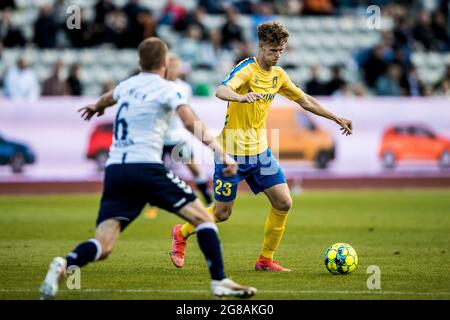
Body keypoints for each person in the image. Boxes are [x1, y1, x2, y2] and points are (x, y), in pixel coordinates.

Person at [39, 37, 256, 300]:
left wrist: (96, 107)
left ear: (139, 62)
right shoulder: (168, 88)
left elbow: (108, 97)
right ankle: (219, 281)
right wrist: (221, 152)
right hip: (145, 168)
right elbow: (189, 122)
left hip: (116, 170)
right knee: (205, 219)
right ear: (165, 63)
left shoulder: (127, 85)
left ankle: (66, 262)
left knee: (104, 244)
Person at [170, 21, 352, 271]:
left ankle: (265, 260)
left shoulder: (279, 76)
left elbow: (305, 101)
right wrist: (241, 96)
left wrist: (336, 118)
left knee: (284, 202)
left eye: (281, 50)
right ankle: (181, 232)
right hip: (231, 152)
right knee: (222, 214)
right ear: (261, 45)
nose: (277, 55)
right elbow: (221, 90)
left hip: (260, 153)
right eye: (273, 50)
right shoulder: (247, 68)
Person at [146, 54, 213, 218]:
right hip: (159, 138)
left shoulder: (184, 88)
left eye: (177, 67)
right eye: (172, 66)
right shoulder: (157, 86)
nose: (175, 70)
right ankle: (152, 205)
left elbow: (187, 110)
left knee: (194, 168)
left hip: (177, 138)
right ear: (165, 67)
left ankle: (209, 201)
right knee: (153, 172)